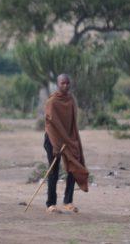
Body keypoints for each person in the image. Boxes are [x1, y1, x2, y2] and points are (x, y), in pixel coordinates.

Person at [43, 73, 89, 213]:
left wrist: (72, 140)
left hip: (68, 139)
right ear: (57, 84)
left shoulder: (70, 100)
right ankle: (51, 204)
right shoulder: (52, 101)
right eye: (63, 83)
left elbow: (72, 123)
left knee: (73, 168)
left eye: (67, 83)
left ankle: (68, 201)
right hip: (52, 139)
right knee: (54, 171)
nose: (65, 85)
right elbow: (50, 125)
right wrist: (56, 146)